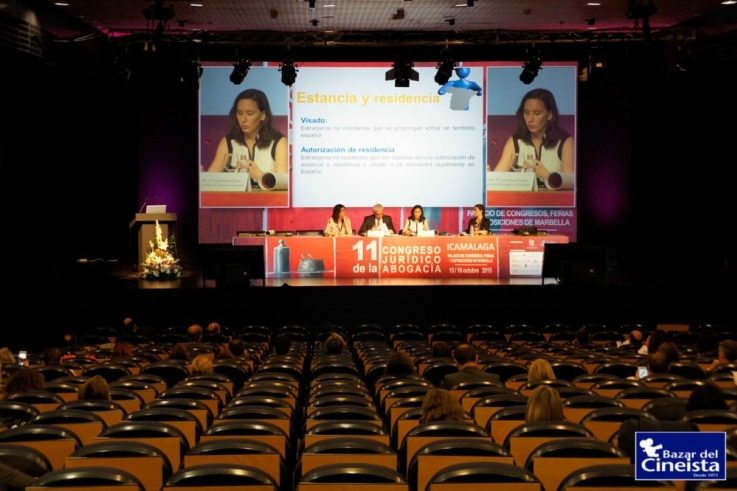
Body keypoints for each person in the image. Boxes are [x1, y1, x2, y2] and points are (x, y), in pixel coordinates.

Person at [207, 88, 288, 192]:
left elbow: (284, 184)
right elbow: (210, 181)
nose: (243, 119)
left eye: (250, 113)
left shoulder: (278, 142)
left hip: (268, 201)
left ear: (263, 115)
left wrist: (261, 176)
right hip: (236, 200)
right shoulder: (228, 142)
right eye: (239, 113)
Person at [492, 88, 574, 190]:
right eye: (526, 113)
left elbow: (571, 184)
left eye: (537, 113)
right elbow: (497, 179)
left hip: (554, 199)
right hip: (523, 198)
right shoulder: (515, 141)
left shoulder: (565, 142)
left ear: (549, 115)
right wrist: (489, 177)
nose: (530, 119)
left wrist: (546, 176)